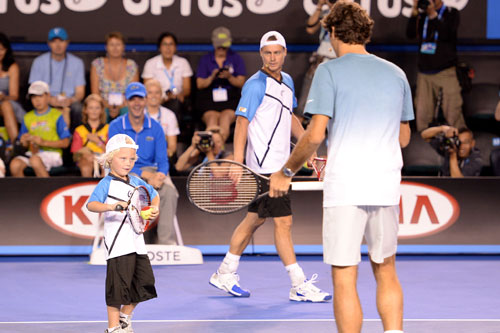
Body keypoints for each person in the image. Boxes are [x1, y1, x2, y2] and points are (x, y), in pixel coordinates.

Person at [269, 2, 413, 332]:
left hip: (346, 186)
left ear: (332, 32)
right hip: (385, 185)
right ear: (365, 32)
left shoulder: (329, 71)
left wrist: (286, 171)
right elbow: (403, 138)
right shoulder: (396, 73)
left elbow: (315, 134)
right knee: (386, 268)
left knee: (345, 275)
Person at [209, 31, 331, 302]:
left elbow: (291, 119)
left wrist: (308, 150)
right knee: (283, 223)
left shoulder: (287, 81)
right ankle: (298, 284)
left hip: (281, 165)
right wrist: (238, 162)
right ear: (261, 55)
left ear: (284, 54)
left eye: (277, 52)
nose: (272, 57)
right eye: (267, 53)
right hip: (265, 169)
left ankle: (224, 272)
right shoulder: (254, 85)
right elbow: (242, 123)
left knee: (255, 219)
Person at [87, 133, 159, 333]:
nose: (128, 163)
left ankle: (125, 317)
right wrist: (112, 206)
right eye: (123, 158)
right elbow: (91, 205)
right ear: (110, 159)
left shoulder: (136, 181)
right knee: (117, 290)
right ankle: (113, 328)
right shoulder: (106, 184)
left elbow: (154, 196)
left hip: (138, 244)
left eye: (132, 159)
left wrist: (154, 210)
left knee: (144, 284)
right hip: (118, 245)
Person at [109, 82, 179, 245]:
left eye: (140, 99)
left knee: (169, 192)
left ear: (146, 100)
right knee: (130, 187)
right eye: (132, 99)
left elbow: (163, 160)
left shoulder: (156, 127)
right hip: (124, 172)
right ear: (126, 102)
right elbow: (117, 161)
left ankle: (166, 243)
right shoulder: (116, 126)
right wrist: (146, 176)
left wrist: (160, 176)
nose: (136, 103)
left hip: (153, 171)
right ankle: (128, 241)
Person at [406, 0, 465, 132]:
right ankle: (425, 148)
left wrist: (433, 14)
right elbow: (410, 34)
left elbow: (447, 34)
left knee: (453, 113)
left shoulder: (451, 13)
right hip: (425, 73)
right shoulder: (422, 15)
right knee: (422, 115)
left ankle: (459, 145)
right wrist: (415, 10)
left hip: (446, 71)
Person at [9, 81, 71, 177]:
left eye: (40, 96)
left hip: (53, 154)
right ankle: (25, 191)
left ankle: (50, 191)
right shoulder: (27, 117)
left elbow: (66, 143)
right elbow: (24, 145)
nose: (37, 100)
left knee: (35, 160)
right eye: (34, 97)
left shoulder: (57, 115)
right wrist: (24, 141)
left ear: (48, 96)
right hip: (32, 153)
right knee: (15, 164)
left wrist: (43, 142)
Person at [28, 27, 85, 131]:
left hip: (68, 102)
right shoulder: (39, 61)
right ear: (48, 43)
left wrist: (70, 100)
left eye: (61, 41)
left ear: (67, 42)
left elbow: (80, 93)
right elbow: (34, 90)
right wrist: (49, 100)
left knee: (78, 107)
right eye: (54, 41)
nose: (58, 45)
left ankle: (75, 139)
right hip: (46, 100)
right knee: (37, 102)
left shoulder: (77, 62)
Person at [196, 26, 246, 142]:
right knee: (212, 119)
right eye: (219, 46)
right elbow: (200, 84)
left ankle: (217, 148)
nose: (221, 48)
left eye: (224, 46)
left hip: (230, 98)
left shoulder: (236, 58)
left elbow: (241, 83)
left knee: (225, 119)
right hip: (209, 98)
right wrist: (212, 77)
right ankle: (210, 151)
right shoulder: (205, 59)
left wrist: (229, 77)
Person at [296, 0, 337, 121]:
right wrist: (320, 6)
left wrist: (334, 6)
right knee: (307, 95)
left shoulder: (346, 12)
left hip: (338, 60)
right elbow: (310, 28)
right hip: (321, 58)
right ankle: (303, 121)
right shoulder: (325, 12)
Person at [91, 31, 139, 123]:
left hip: (125, 105)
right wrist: (108, 106)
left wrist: (119, 107)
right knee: (97, 109)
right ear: (106, 47)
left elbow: (133, 94)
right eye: (111, 44)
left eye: (118, 44)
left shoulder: (131, 66)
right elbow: (95, 94)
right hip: (103, 104)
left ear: (123, 47)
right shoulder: (97, 64)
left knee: (129, 110)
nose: (115, 48)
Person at [142, 32, 193, 118]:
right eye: (165, 44)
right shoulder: (150, 63)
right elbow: (147, 89)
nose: (168, 48)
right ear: (159, 47)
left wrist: (181, 95)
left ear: (175, 47)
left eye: (171, 44)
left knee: (175, 103)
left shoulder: (183, 62)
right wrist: (162, 98)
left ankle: (172, 130)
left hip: (177, 99)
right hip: (156, 99)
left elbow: (187, 89)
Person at [71, 94, 109, 177]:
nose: (94, 111)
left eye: (97, 108)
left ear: (102, 110)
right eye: (91, 108)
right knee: (86, 167)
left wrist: (98, 142)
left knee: (106, 166)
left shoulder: (107, 128)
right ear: (85, 110)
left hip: (103, 157)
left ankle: (103, 189)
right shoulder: (79, 130)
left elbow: (111, 151)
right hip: (85, 157)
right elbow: (75, 152)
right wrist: (86, 155)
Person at [144, 79, 180, 163]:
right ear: (145, 96)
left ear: (161, 95)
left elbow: (172, 146)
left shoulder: (170, 115)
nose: (154, 96)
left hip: (162, 159)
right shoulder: (138, 114)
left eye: (157, 92)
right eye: (150, 92)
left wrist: (162, 156)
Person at [0, 32, 25, 142]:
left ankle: (16, 144)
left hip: (6, 102)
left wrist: (3, 97)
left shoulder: (12, 67)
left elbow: (14, 95)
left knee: (6, 105)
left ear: (6, 50)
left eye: (2, 49)